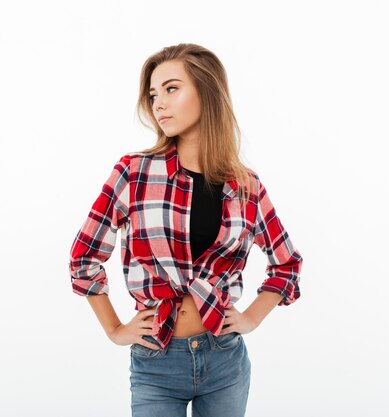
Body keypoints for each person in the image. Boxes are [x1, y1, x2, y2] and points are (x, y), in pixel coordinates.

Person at [68, 43, 303, 417]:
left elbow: (286, 263)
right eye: (153, 94)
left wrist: (252, 317)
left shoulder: (246, 186)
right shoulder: (134, 172)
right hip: (156, 362)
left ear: (207, 91)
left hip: (225, 359)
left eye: (172, 88)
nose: (159, 103)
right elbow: (84, 256)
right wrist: (114, 329)